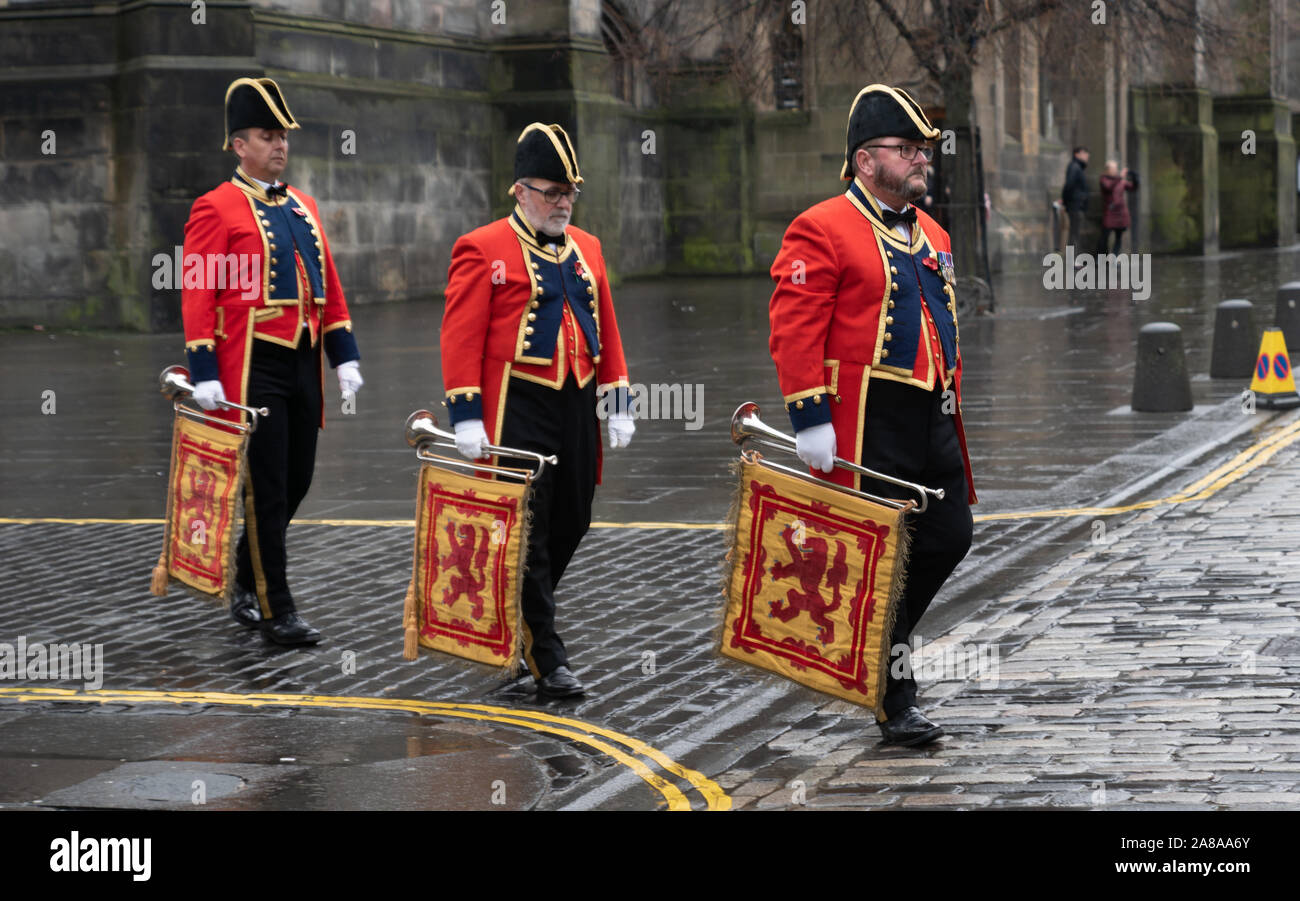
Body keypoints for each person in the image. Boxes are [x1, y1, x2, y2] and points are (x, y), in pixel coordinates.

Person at [768, 84, 976, 747]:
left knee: (949, 535)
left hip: (933, 416)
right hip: (868, 421)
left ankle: (872, 642)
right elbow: (793, 328)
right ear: (865, 160)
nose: (922, 160)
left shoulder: (936, 233)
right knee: (882, 550)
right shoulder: (821, 227)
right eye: (907, 150)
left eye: (923, 150)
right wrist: (810, 417)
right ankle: (895, 693)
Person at [440, 123, 635, 698]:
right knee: (527, 532)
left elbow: (609, 328)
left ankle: (521, 619)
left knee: (573, 518)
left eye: (569, 191)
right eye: (551, 191)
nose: (562, 202)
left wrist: (619, 397)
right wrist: (466, 415)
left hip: (575, 403)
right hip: (515, 407)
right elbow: (460, 336)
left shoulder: (589, 248)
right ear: (520, 191)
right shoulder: (482, 248)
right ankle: (547, 655)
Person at [181, 76, 363, 646]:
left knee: (299, 479)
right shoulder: (215, 208)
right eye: (267, 135)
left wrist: (344, 356)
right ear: (240, 145)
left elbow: (327, 284)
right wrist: (204, 371)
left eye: (282, 135)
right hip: (252, 365)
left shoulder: (303, 205)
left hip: (302, 362)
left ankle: (245, 567)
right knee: (267, 488)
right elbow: (197, 292)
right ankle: (274, 607)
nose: (280, 145)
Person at [1096, 160, 1137, 253]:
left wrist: (1135, 178)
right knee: (1104, 237)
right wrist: (1120, 177)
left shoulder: (1120, 181)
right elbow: (1109, 187)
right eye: (1113, 168)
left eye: (1116, 168)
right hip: (1110, 213)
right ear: (1107, 170)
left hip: (1121, 213)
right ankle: (1100, 258)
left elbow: (1132, 187)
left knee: (1118, 238)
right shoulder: (1104, 179)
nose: (1115, 170)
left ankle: (1113, 259)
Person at [1061, 146, 1090, 255]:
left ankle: (1073, 259)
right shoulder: (1075, 167)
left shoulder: (1078, 167)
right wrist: (1065, 202)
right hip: (1075, 205)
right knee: (1074, 233)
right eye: (1084, 153)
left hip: (1077, 205)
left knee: (1075, 233)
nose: (1087, 155)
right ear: (1076, 154)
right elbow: (1068, 185)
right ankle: (1071, 260)